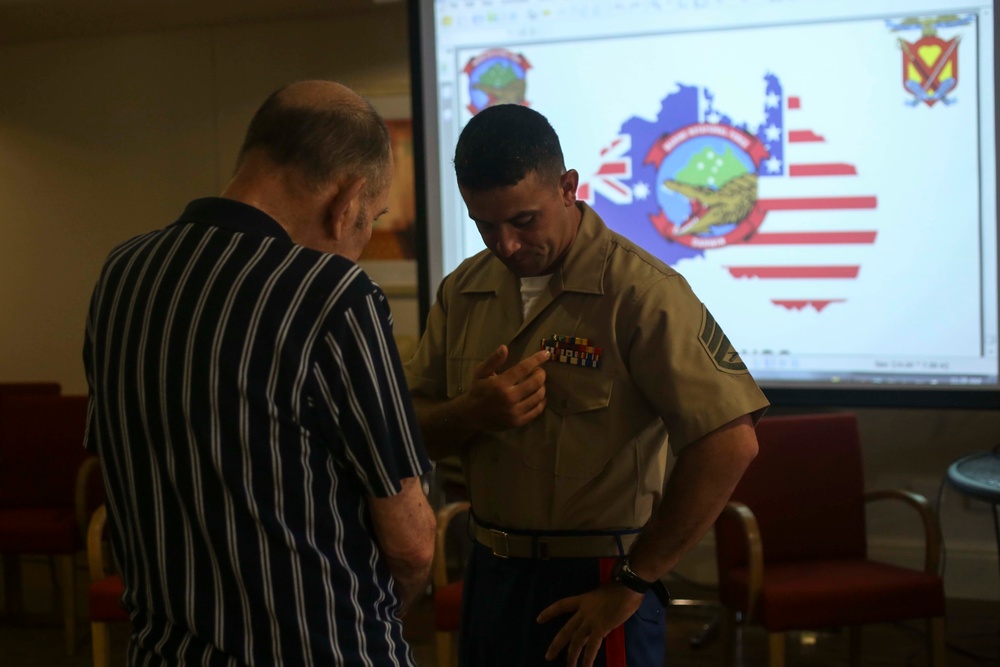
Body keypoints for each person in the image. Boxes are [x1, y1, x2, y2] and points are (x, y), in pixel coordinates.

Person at [83, 81, 436, 666]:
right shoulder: (332, 293)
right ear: (345, 202)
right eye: (370, 219)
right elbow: (412, 545)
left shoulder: (122, 275)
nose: (361, 236)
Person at [404, 104, 769, 667]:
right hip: (491, 571)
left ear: (569, 187)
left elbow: (731, 441)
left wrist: (632, 583)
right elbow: (413, 428)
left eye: (523, 221)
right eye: (484, 225)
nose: (504, 245)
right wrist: (470, 412)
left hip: (598, 579)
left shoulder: (642, 292)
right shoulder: (463, 291)